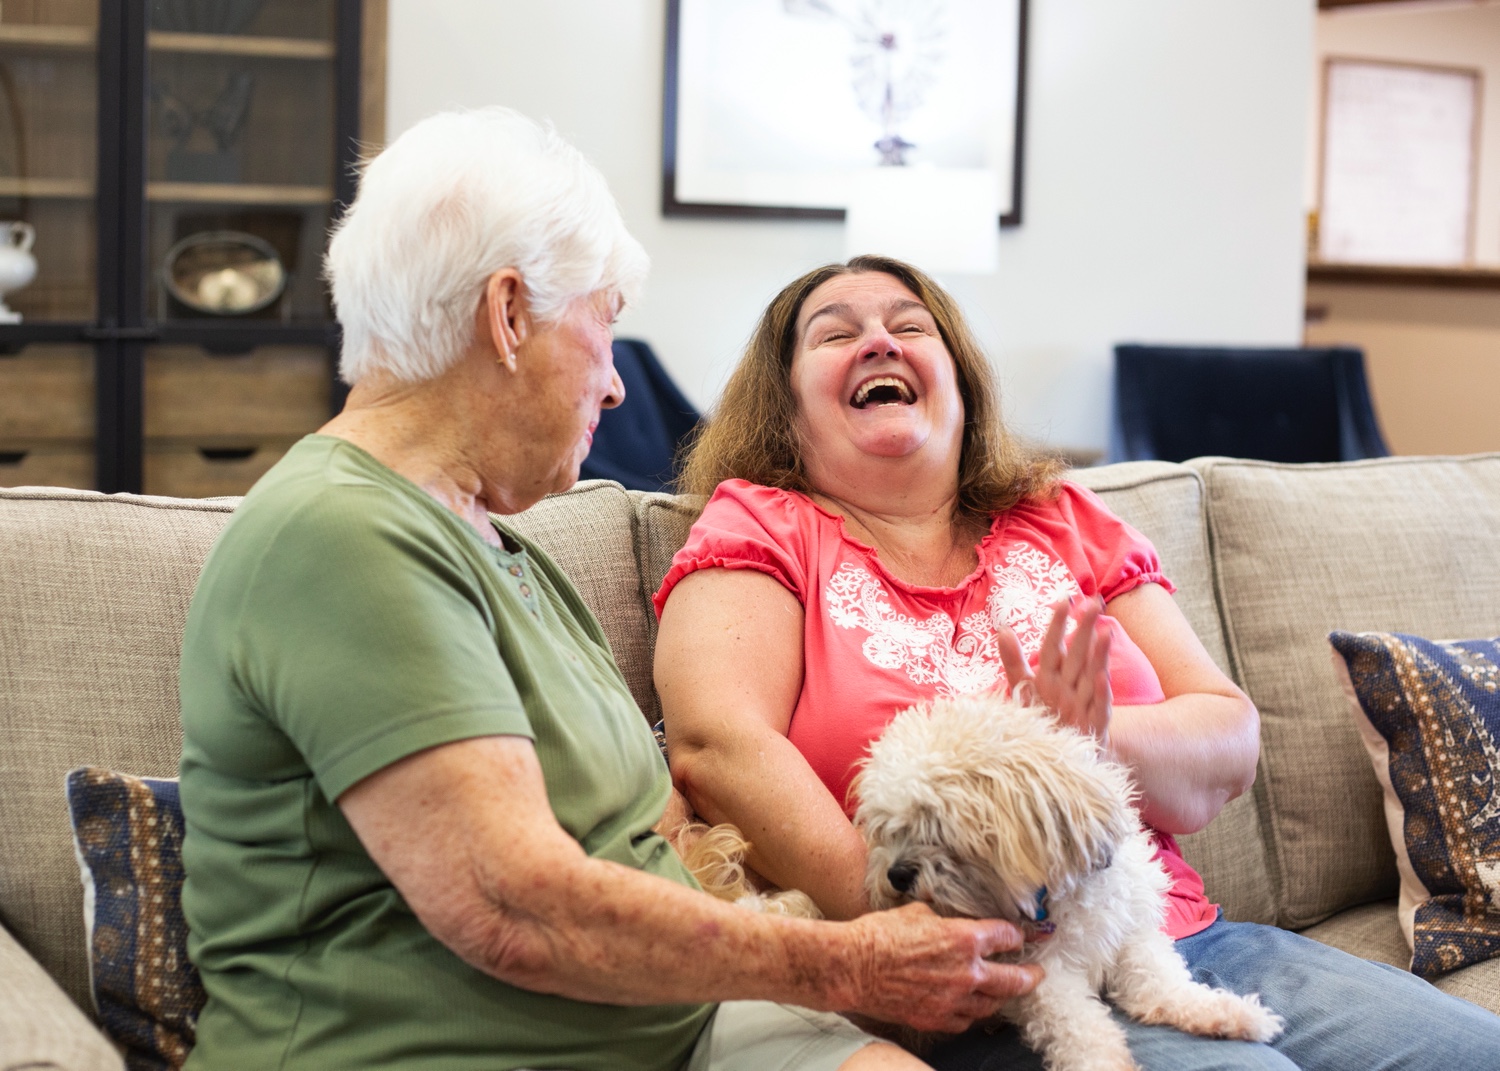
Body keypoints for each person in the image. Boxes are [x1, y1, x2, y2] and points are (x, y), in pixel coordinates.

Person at [176, 113, 1044, 1071]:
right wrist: (845, 962)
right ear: (508, 316)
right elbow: (510, 904)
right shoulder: (338, 534)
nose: (619, 385)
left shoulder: (506, 549)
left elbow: (658, 828)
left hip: (689, 1023)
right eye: (605, 319)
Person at [651, 255, 1500, 1071]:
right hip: (983, 982)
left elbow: (1228, 739)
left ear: (962, 381)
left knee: (1475, 1053)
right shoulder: (760, 524)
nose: (879, 341)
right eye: (835, 334)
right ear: (785, 406)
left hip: (1164, 928)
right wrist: (904, 937)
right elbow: (717, 744)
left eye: (910, 325)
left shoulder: (1060, 515)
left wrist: (1082, 740)